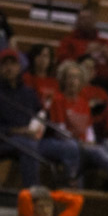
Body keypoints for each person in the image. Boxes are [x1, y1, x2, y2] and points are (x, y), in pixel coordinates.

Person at [0, 48, 80, 187]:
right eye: (5, 64)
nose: (9, 68)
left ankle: (70, 191)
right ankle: (33, 193)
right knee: (28, 144)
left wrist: (41, 127)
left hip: (33, 139)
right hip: (7, 141)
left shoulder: (28, 93)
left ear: (19, 67)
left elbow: (41, 116)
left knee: (71, 147)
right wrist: (20, 131)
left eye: (13, 64)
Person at [50, 61, 108, 183]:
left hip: (85, 144)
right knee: (99, 153)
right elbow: (59, 130)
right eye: (70, 77)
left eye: (76, 78)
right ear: (63, 80)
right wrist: (82, 142)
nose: (73, 81)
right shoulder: (58, 100)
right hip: (69, 143)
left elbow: (89, 128)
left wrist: (90, 141)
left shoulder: (83, 102)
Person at [55, 6, 108, 90]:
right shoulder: (69, 41)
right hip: (79, 82)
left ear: (94, 20)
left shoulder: (106, 43)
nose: (86, 21)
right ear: (77, 21)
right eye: (83, 18)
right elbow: (62, 63)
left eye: (89, 18)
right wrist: (85, 54)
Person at [22, 44, 59, 111]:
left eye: (46, 56)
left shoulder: (55, 81)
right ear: (33, 58)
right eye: (39, 55)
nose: (42, 59)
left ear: (50, 60)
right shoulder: (26, 78)